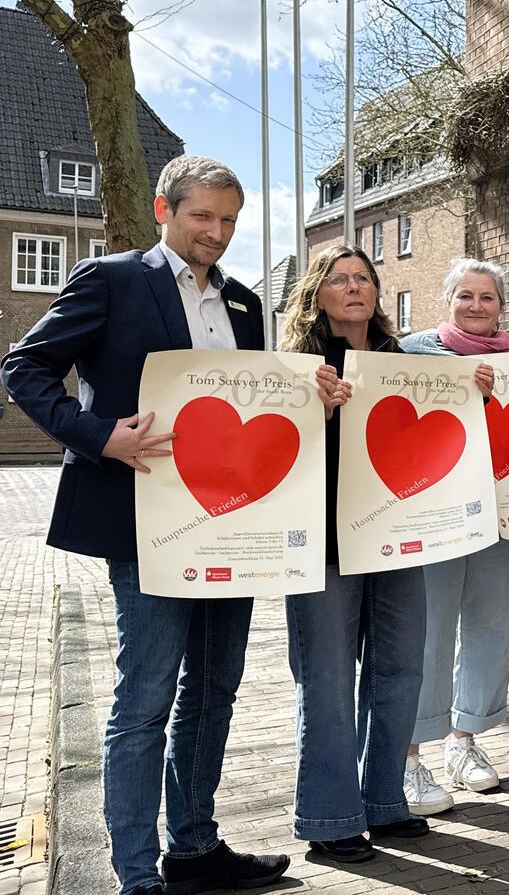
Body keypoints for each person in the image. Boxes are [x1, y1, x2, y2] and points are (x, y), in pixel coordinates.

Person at [0, 156, 289, 895]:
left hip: (231, 524)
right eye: (203, 217)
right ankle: (136, 872)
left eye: (228, 220)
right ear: (164, 207)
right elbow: (24, 367)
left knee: (216, 689)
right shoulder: (111, 279)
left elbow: (253, 409)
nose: (217, 233)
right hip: (142, 522)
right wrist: (99, 435)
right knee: (147, 695)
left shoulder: (250, 306)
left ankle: (193, 846)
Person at [398, 258, 509, 812]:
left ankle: (464, 742)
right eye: (465, 296)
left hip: (503, 513)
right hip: (438, 516)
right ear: (447, 301)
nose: (476, 307)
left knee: (492, 623)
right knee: (429, 630)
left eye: (487, 298)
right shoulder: (412, 353)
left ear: (501, 306)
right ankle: (408, 756)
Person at [278, 245, 429, 863]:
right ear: (317, 294)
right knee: (328, 678)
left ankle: (385, 801)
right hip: (323, 540)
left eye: (363, 278)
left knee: (400, 669)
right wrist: (306, 403)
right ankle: (330, 816)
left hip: (396, 535)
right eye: (338, 280)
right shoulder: (295, 368)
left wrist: (473, 392)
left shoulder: (403, 362)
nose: (353, 288)